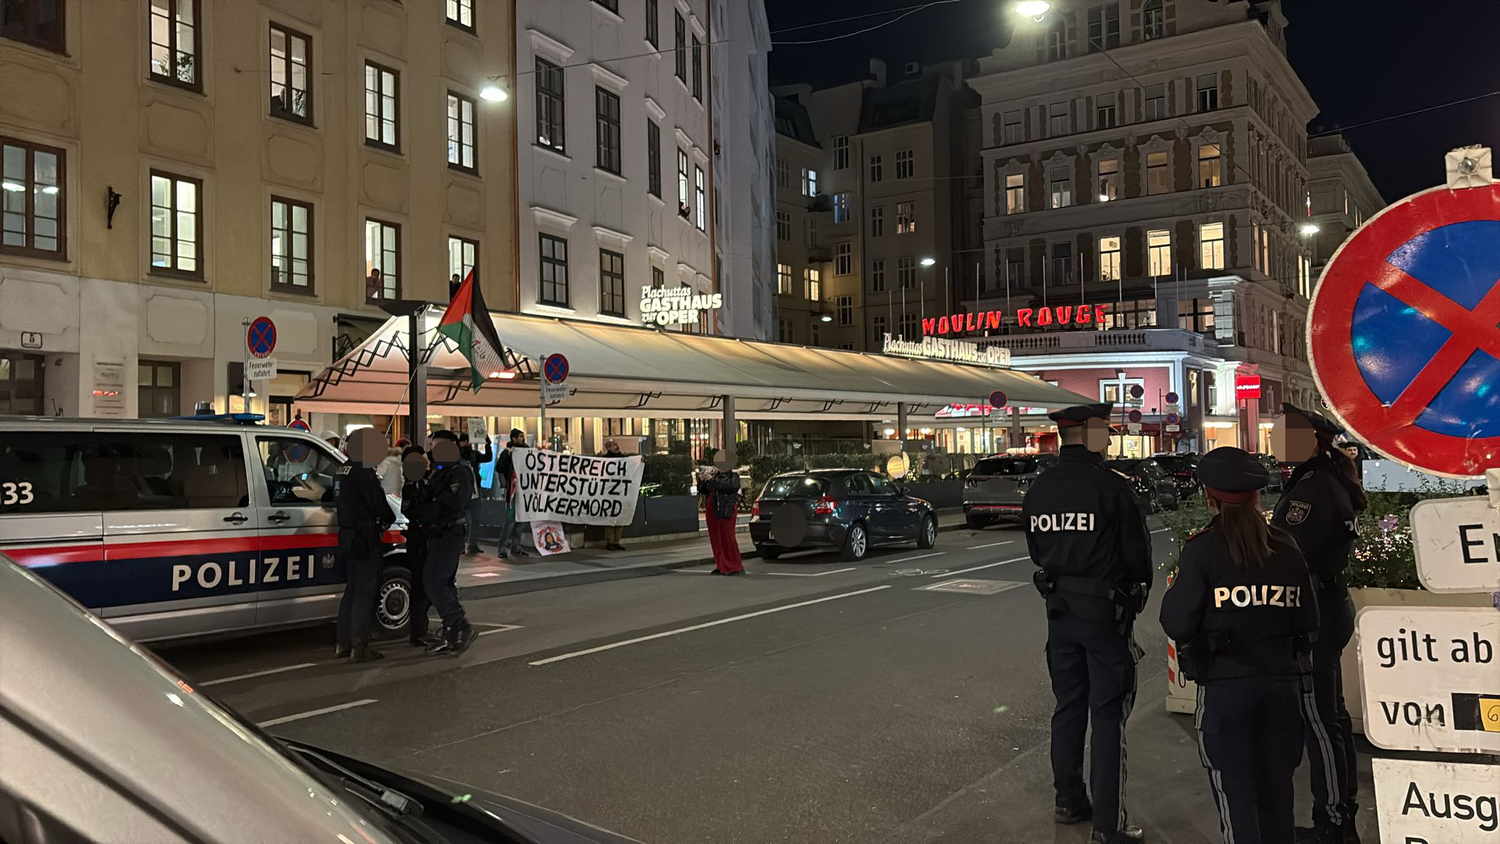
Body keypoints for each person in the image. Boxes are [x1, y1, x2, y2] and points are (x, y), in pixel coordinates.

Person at [1160, 447, 1320, 844]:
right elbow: (1310, 621)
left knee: (1236, 797)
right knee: (1278, 795)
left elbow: (1176, 622)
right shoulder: (1286, 547)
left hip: (1226, 690)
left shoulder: (1203, 549)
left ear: (1209, 497)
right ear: (1256, 496)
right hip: (1283, 688)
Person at [1021, 403, 1151, 844]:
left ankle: (1069, 800)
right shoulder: (1112, 487)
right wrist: (1133, 597)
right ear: (1091, 435)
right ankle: (1109, 825)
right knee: (1108, 715)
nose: (1110, 440)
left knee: (1069, 707)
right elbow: (1137, 558)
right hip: (1104, 616)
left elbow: (1036, 550)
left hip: (1059, 614)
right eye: (1106, 432)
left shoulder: (1039, 488)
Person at [1270, 404, 1368, 844]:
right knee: (1331, 715)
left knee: (1320, 720)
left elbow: (1291, 556)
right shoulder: (1323, 479)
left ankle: (1333, 821)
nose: (1277, 440)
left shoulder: (1312, 490)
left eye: (1286, 434)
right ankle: (1339, 811)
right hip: (1330, 605)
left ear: (1312, 442)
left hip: (1317, 611)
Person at [408, 431, 477, 656]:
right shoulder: (439, 469)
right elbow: (425, 494)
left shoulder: (460, 471)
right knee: (439, 581)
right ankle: (452, 633)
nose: (432, 450)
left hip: (449, 533)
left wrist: (431, 505)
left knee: (435, 580)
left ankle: (459, 624)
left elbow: (453, 501)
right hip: (436, 533)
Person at [334, 428, 394, 662]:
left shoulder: (342, 469)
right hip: (364, 537)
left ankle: (343, 643)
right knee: (364, 591)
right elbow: (379, 504)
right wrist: (389, 518)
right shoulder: (363, 472)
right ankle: (359, 646)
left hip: (347, 535)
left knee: (351, 589)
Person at [399, 445, 435, 647]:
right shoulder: (411, 486)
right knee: (420, 587)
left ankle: (422, 629)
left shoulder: (421, 482)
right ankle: (418, 632)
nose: (427, 462)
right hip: (418, 539)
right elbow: (411, 511)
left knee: (425, 586)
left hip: (423, 538)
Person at [701, 465, 743, 575]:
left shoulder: (733, 476)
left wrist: (711, 480)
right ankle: (721, 564)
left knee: (727, 537)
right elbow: (703, 490)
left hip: (725, 509)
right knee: (715, 538)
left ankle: (734, 566)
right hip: (713, 508)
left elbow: (729, 487)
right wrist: (703, 480)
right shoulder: (715, 476)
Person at [494, 428, 530, 558]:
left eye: (523, 436)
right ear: (514, 438)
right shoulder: (507, 452)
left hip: (524, 491)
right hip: (512, 491)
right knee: (510, 521)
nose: (522, 439)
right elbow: (499, 468)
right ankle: (502, 548)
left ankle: (516, 546)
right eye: (520, 436)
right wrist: (508, 456)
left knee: (520, 521)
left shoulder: (527, 451)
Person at [458, 432, 494, 554]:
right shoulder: (458, 455)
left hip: (474, 490)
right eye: (466, 441)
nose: (468, 443)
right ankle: (464, 545)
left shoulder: (473, 454)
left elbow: (487, 458)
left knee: (474, 519)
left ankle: (471, 544)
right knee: (464, 520)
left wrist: (487, 444)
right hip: (465, 492)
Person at [597, 440, 628, 551]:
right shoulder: (605, 459)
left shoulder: (623, 458)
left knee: (620, 517)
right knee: (610, 518)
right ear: (608, 448)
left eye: (616, 444)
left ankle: (616, 541)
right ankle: (609, 541)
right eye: (614, 445)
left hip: (620, 491)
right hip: (609, 492)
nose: (616, 446)